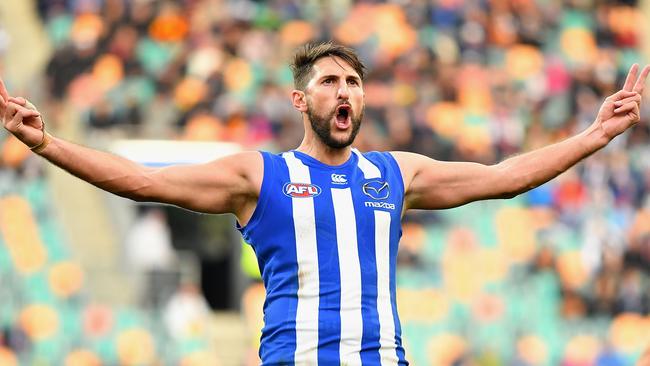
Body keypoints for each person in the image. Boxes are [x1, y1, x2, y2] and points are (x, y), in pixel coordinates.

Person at [1, 41, 648, 365]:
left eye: (355, 83)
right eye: (331, 81)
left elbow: (505, 176)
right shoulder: (262, 176)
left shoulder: (396, 174)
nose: (346, 92)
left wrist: (594, 135)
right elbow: (143, 182)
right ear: (300, 100)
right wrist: (47, 144)